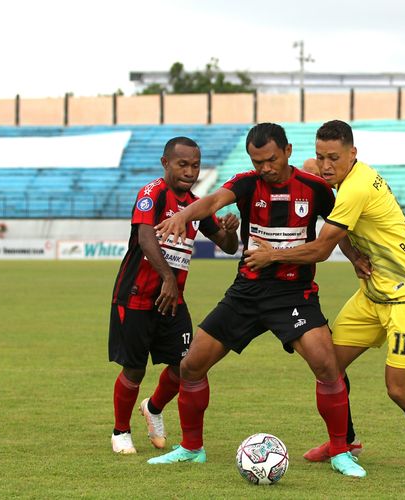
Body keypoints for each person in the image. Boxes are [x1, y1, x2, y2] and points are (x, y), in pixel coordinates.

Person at [150, 122, 367, 478]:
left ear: (287, 152)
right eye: (257, 161)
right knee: (190, 366)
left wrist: (355, 255)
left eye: (269, 160)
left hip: (293, 294)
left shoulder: (314, 188)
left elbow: (335, 226)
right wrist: (183, 215)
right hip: (247, 293)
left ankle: (341, 452)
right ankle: (191, 449)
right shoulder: (248, 182)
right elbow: (213, 200)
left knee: (328, 367)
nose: (264, 168)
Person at [244, 119, 405, 471]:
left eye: (334, 158)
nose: (325, 166)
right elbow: (311, 168)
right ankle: (345, 441)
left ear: (353, 154)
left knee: (398, 389)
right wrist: (357, 257)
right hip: (373, 292)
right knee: (329, 367)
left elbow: (323, 247)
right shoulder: (341, 174)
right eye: (320, 157)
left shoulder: (355, 189)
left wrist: (271, 255)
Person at [109, 137, 239, 454]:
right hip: (137, 296)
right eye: (182, 164)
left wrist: (231, 230)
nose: (190, 171)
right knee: (135, 369)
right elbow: (144, 236)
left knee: (186, 366)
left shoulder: (196, 205)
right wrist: (167, 275)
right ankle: (120, 431)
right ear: (166, 163)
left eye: (195, 165)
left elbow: (229, 246)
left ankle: (153, 408)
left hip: (172, 301)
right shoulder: (151, 194)